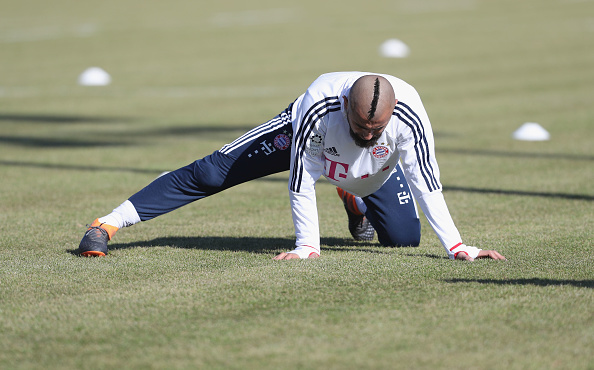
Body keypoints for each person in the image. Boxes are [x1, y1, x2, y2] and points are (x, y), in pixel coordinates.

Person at [78, 71, 506, 262]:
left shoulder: (408, 117)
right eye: (361, 127)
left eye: (377, 130)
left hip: (371, 172)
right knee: (211, 172)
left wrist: (458, 247)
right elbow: (300, 180)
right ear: (344, 109)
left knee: (403, 240)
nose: (369, 134)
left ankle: (353, 200)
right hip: (306, 139)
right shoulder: (319, 107)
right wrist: (308, 246)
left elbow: (425, 182)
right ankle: (109, 223)